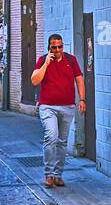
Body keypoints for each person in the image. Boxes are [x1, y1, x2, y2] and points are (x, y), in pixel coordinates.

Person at [30, 33, 85, 188]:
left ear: (63, 46)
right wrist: (46, 64)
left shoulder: (70, 60)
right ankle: (48, 174)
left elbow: (79, 79)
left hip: (67, 107)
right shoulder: (42, 60)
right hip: (48, 107)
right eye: (54, 47)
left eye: (60, 46)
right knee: (51, 136)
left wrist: (82, 99)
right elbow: (35, 80)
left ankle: (58, 175)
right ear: (49, 48)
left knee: (62, 142)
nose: (57, 50)